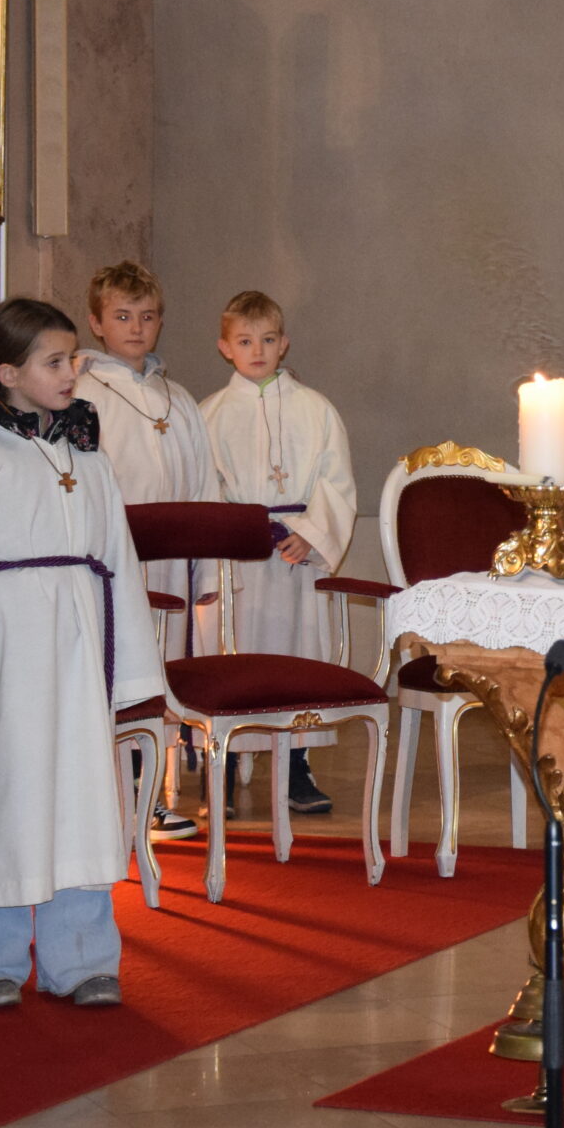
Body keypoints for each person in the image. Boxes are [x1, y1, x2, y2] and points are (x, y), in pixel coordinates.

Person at [0, 298, 163, 1010]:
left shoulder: (86, 454)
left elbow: (117, 559)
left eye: (73, 357)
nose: (72, 371)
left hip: (74, 651)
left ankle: (82, 957)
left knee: (79, 797)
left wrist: (130, 665)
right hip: (1, 653)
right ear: (8, 373)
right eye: (55, 361)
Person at [201, 290, 355, 815]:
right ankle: (222, 760)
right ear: (225, 347)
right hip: (235, 560)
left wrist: (312, 532)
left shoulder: (317, 409)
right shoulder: (209, 414)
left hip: (295, 556)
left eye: (267, 340)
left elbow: (337, 483)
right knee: (232, 657)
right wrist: (234, 530)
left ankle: (296, 764)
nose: (258, 350)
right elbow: (202, 487)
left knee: (295, 659)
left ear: (284, 343)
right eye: (245, 341)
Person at [77, 261, 207, 841]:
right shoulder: (84, 392)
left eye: (147, 316)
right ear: (96, 323)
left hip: (172, 565)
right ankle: (116, 798)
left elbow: (204, 486)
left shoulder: (177, 397)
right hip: (115, 562)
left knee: (159, 676)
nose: (136, 328)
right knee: (118, 676)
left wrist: (206, 567)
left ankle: (151, 794)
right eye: (122, 316)